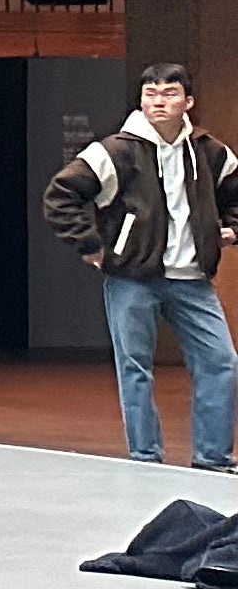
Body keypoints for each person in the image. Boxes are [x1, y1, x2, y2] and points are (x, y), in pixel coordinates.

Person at [41, 61, 237, 473]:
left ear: (188, 101)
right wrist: (92, 246)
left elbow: (235, 196)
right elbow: (60, 194)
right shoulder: (115, 150)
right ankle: (145, 458)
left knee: (221, 362)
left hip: (193, 279)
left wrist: (231, 230)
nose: (158, 101)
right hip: (132, 278)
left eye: (168, 93)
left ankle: (214, 458)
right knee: (135, 368)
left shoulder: (211, 152)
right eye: (150, 93)